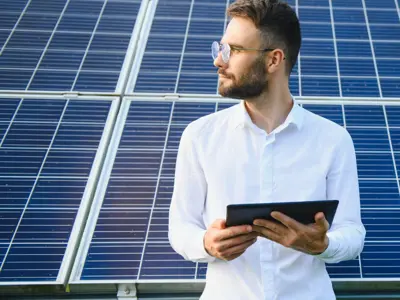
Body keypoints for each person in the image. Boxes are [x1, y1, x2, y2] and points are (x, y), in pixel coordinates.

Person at [168, 0, 366, 299]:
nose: (218, 62)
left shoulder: (333, 140)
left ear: (274, 60)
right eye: (220, 49)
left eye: (232, 51)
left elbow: (352, 232)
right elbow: (181, 227)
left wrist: (323, 245)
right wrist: (206, 243)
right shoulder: (200, 136)